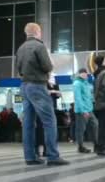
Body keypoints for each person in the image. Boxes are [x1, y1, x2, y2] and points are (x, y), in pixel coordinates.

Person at [15, 23, 68, 166]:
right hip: (38, 85)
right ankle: (52, 156)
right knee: (49, 120)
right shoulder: (39, 46)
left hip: (24, 85)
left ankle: (30, 157)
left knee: (28, 123)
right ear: (37, 32)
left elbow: (19, 69)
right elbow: (47, 66)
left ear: (26, 33)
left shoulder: (20, 48)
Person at [73, 68, 98, 154]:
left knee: (95, 125)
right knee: (81, 129)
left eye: (86, 73)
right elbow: (78, 98)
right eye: (82, 73)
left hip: (89, 110)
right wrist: (83, 110)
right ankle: (80, 146)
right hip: (81, 111)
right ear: (79, 74)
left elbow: (89, 97)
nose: (85, 75)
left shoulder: (86, 84)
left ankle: (96, 145)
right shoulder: (77, 84)